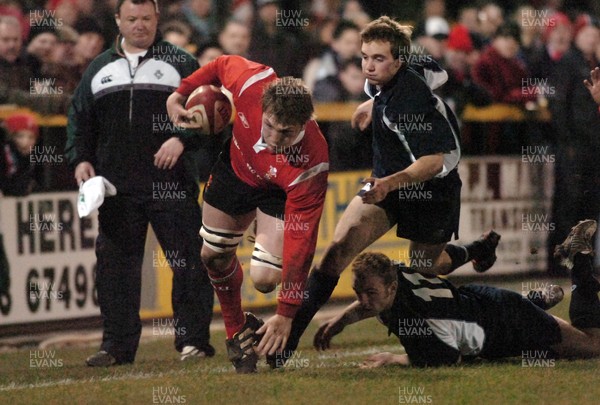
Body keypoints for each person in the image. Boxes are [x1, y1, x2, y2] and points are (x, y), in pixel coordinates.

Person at [277, 15, 500, 368]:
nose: (368, 65)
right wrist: (372, 102)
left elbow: (433, 160)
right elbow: (435, 72)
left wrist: (387, 184)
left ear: (397, 61)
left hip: (432, 190)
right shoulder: (403, 67)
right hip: (388, 180)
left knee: (426, 266)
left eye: (377, 59)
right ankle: (285, 345)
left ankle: (476, 249)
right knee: (336, 251)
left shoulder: (409, 101)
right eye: (365, 56)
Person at [64, 0, 214, 367]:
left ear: (157, 18)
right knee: (116, 269)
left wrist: (182, 138)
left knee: (188, 263)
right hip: (116, 188)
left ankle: (193, 342)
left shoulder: (181, 63)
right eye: (132, 19)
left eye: (146, 18)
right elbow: (79, 121)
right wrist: (80, 159)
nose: (140, 25)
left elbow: (209, 111)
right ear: (118, 20)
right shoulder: (98, 68)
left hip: (172, 183)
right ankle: (116, 347)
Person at [166, 55, 329, 373]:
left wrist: (286, 312)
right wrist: (180, 93)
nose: (272, 138)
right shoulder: (252, 82)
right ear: (263, 106)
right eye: (269, 125)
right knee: (212, 256)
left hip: (277, 193)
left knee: (266, 280)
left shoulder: (312, 162)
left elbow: (302, 243)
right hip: (237, 173)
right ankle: (236, 330)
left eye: (285, 133)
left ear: (304, 123)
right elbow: (220, 63)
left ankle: (262, 246)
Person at [314, 220, 600, 368]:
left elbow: (448, 358)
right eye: (358, 292)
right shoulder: (393, 273)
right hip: (486, 304)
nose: (363, 301)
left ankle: (579, 261)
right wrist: (341, 320)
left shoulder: (415, 319)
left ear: (391, 288)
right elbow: (371, 300)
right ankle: (534, 302)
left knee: (593, 346)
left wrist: (395, 358)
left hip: (507, 324)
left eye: (370, 293)